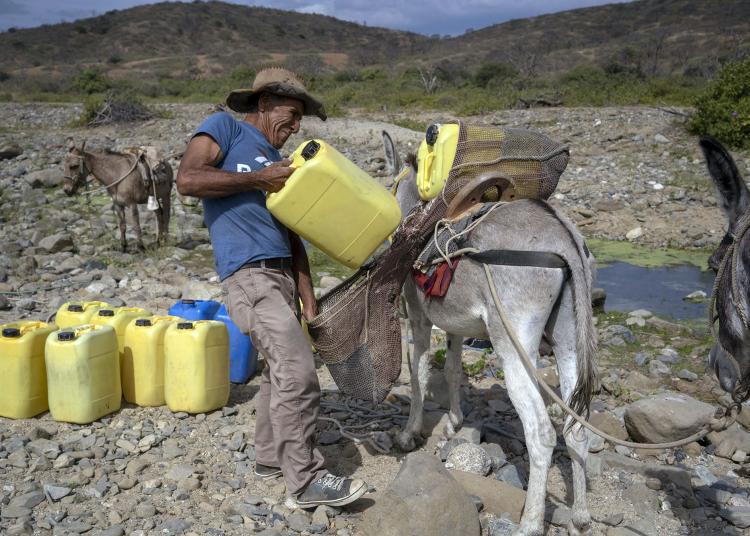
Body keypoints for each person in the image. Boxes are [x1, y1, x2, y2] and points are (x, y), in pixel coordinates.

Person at [176, 68, 367, 508]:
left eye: (302, 119)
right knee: (299, 374)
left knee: (277, 373)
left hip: (282, 275)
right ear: (263, 104)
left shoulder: (281, 161)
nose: (297, 126)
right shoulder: (223, 127)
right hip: (249, 274)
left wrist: (309, 296)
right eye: (292, 113)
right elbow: (188, 180)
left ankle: (269, 458)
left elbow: (294, 232)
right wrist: (258, 179)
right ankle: (306, 482)